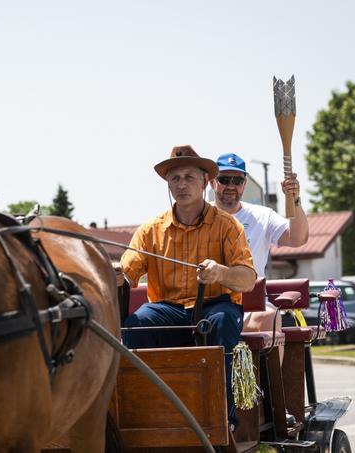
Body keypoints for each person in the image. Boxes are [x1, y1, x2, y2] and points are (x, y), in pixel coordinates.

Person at [117, 145, 256, 430]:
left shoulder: (228, 226)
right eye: (175, 178)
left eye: (189, 177)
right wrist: (115, 273)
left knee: (221, 321)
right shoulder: (149, 230)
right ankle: (144, 413)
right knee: (135, 324)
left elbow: (248, 279)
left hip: (214, 306)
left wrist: (220, 272)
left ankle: (222, 417)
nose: (181, 184)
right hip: (168, 310)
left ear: (205, 182)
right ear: (167, 184)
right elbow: (126, 271)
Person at [210, 153, 308, 333]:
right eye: (224, 179)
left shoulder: (262, 215)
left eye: (237, 180)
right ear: (212, 182)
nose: (231, 185)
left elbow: (297, 239)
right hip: (209, 303)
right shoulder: (200, 215)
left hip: (251, 306)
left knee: (270, 317)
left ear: (244, 184)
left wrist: (294, 199)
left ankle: (266, 363)